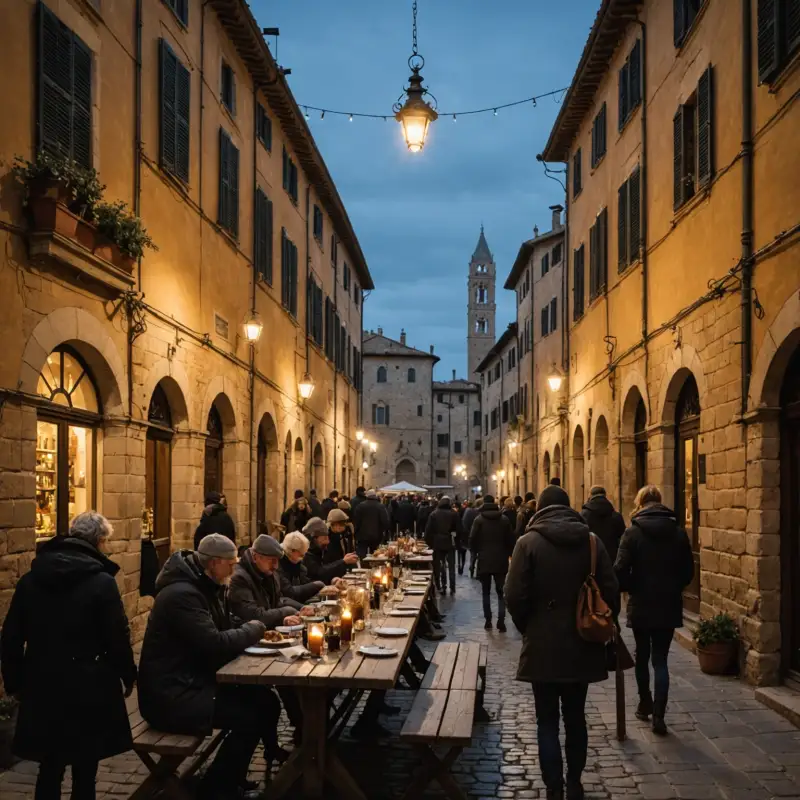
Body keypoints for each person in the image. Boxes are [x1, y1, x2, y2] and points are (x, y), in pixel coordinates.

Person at [0, 512, 136, 800]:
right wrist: (127, 674)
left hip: (43, 682)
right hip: (90, 684)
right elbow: (117, 637)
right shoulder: (101, 583)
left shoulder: (31, 580)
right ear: (99, 542)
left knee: (49, 765)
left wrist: (15, 683)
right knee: (85, 768)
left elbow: (11, 637)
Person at [137, 534, 276, 799]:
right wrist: (255, 629)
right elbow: (214, 643)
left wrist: (248, 626)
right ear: (213, 564)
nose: (235, 569)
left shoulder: (208, 585)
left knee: (266, 701)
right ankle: (216, 789)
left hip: (194, 682)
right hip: (172, 696)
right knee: (248, 717)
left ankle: (230, 776)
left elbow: (224, 624)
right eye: (231, 564)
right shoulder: (182, 595)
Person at [505, 485, 619, 800]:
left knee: (546, 719)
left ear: (539, 508)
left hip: (543, 643)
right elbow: (611, 592)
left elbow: (514, 595)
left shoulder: (527, 543)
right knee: (575, 716)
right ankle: (575, 783)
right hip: (582, 643)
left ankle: (553, 787)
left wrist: (528, 625)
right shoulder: (592, 543)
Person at [614, 485, 694, 736]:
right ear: (660, 502)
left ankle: (644, 703)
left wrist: (631, 588)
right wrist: (673, 588)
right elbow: (688, 571)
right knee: (660, 659)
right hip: (667, 603)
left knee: (642, 655)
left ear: (640, 503)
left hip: (641, 604)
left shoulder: (632, 533)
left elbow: (619, 570)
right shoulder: (678, 533)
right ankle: (659, 714)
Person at [228, 534, 308, 746]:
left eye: (277, 560)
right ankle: (302, 734)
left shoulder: (269, 573)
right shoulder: (239, 578)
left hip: (268, 639)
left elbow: (277, 600)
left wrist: (299, 609)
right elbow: (254, 614)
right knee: (282, 684)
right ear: (255, 556)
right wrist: (285, 612)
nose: (275, 565)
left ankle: (306, 729)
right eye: (270, 559)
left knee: (294, 673)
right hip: (249, 644)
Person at [469, 494, 516, 631]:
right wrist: (508, 553)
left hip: (484, 559)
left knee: (486, 592)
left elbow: (472, 539)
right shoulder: (504, 520)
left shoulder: (479, 520)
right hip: (501, 560)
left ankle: (488, 620)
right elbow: (511, 540)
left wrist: (477, 552)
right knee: (501, 593)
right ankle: (501, 621)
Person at [425, 496, 464, 595]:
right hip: (450, 542)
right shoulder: (454, 514)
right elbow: (460, 530)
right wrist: (457, 541)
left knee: (439, 566)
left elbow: (428, 532)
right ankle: (452, 586)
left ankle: (441, 586)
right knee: (451, 566)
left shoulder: (434, 514)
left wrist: (431, 544)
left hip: (437, 543)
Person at [302, 516, 359, 583]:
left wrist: (334, 579)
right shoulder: (305, 554)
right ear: (314, 539)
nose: (327, 541)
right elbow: (318, 573)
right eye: (324, 538)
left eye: (327, 537)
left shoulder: (320, 550)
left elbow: (329, 568)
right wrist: (343, 562)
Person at [581, 485, 626, 566]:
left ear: (590, 496)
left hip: (591, 560)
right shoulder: (616, 516)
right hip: (611, 560)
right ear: (605, 496)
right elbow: (622, 539)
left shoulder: (584, 515)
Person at [278, 532, 326, 603]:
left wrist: (321, 589)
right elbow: (289, 592)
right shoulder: (278, 565)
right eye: (301, 555)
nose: (303, 558)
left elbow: (305, 583)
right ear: (292, 550)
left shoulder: (297, 563)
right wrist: (316, 585)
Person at [353, 489, 390, 558]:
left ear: (367, 496)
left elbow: (356, 521)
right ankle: (374, 566)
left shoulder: (360, 506)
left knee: (362, 554)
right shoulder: (380, 506)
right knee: (375, 554)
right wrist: (384, 531)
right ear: (375, 496)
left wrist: (356, 533)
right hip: (376, 535)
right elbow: (385, 521)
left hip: (362, 535)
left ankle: (363, 566)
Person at [462, 497, 483, 578]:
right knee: (480, 555)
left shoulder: (469, 511)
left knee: (473, 554)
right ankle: (478, 572)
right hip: (480, 537)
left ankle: (472, 568)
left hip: (471, 535)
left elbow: (465, 523)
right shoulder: (481, 513)